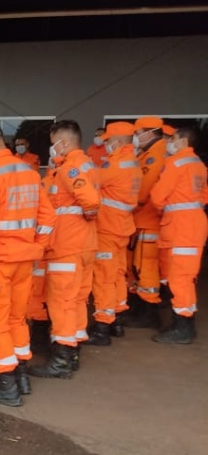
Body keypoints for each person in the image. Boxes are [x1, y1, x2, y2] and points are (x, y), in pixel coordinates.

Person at [0, 119, 54, 406]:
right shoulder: (29, 171)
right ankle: (21, 376)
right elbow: (48, 218)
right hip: (24, 261)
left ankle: (6, 385)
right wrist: (36, 248)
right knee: (18, 318)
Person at [29, 120, 100, 378]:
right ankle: (73, 352)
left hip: (67, 246)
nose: (52, 148)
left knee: (62, 303)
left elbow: (90, 201)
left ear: (64, 143)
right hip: (84, 245)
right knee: (78, 300)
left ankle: (62, 360)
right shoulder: (87, 165)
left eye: (53, 143)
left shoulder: (70, 168)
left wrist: (89, 215)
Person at [148, 126, 207, 343]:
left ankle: (183, 328)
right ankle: (182, 323)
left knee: (179, 278)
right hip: (193, 224)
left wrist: (167, 206)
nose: (169, 142)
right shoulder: (199, 164)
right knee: (185, 277)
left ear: (183, 141)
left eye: (172, 138)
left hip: (182, 227)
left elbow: (157, 196)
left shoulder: (176, 163)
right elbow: (205, 195)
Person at [86, 122, 141, 345]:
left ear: (117, 141)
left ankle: (102, 327)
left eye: (108, 140)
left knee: (103, 278)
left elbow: (92, 181)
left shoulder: (117, 164)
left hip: (108, 229)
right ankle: (117, 319)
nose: (105, 144)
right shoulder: (133, 163)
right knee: (118, 275)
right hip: (122, 227)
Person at [124, 117, 168, 329]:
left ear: (150, 132)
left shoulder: (156, 156)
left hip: (148, 221)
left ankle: (150, 313)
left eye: (137, 132)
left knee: (146, 268)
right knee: (138, 268)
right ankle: (140, 309)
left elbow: (142, 193)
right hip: (141, 221)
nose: (135, 137)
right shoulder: (147, 155)